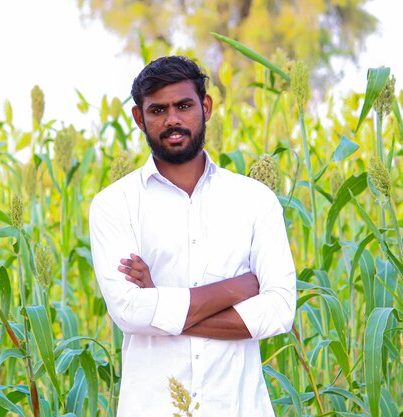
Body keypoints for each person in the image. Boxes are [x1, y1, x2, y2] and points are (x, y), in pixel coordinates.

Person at [88, 56, 296, 416]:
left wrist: (159, 302)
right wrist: (237, 288)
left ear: (206, 106)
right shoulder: (114, 204)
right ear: (139, 118)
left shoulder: (254, 200)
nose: (172, 120)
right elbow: (129, 312)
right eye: (158, 110)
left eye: (183, 105)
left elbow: (278, 312)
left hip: (238, 407)